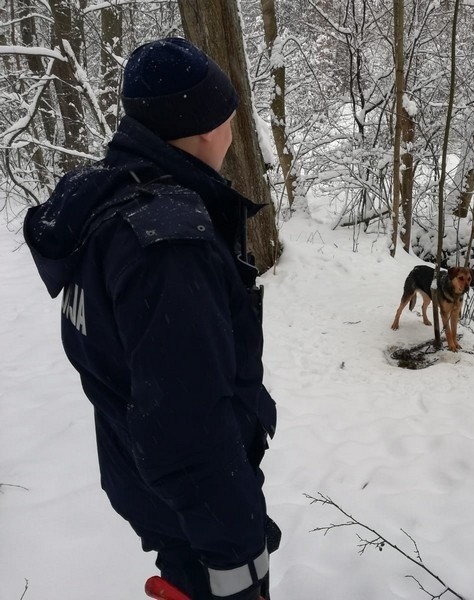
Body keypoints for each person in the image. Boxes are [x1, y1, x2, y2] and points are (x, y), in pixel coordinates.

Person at [23, 38, 280, 600]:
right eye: (230, 113)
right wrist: (237, 547)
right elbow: (189, 423)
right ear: (210, 127)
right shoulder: (167, 245)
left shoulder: (104, 207)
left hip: (150, 490)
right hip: (198, 516)